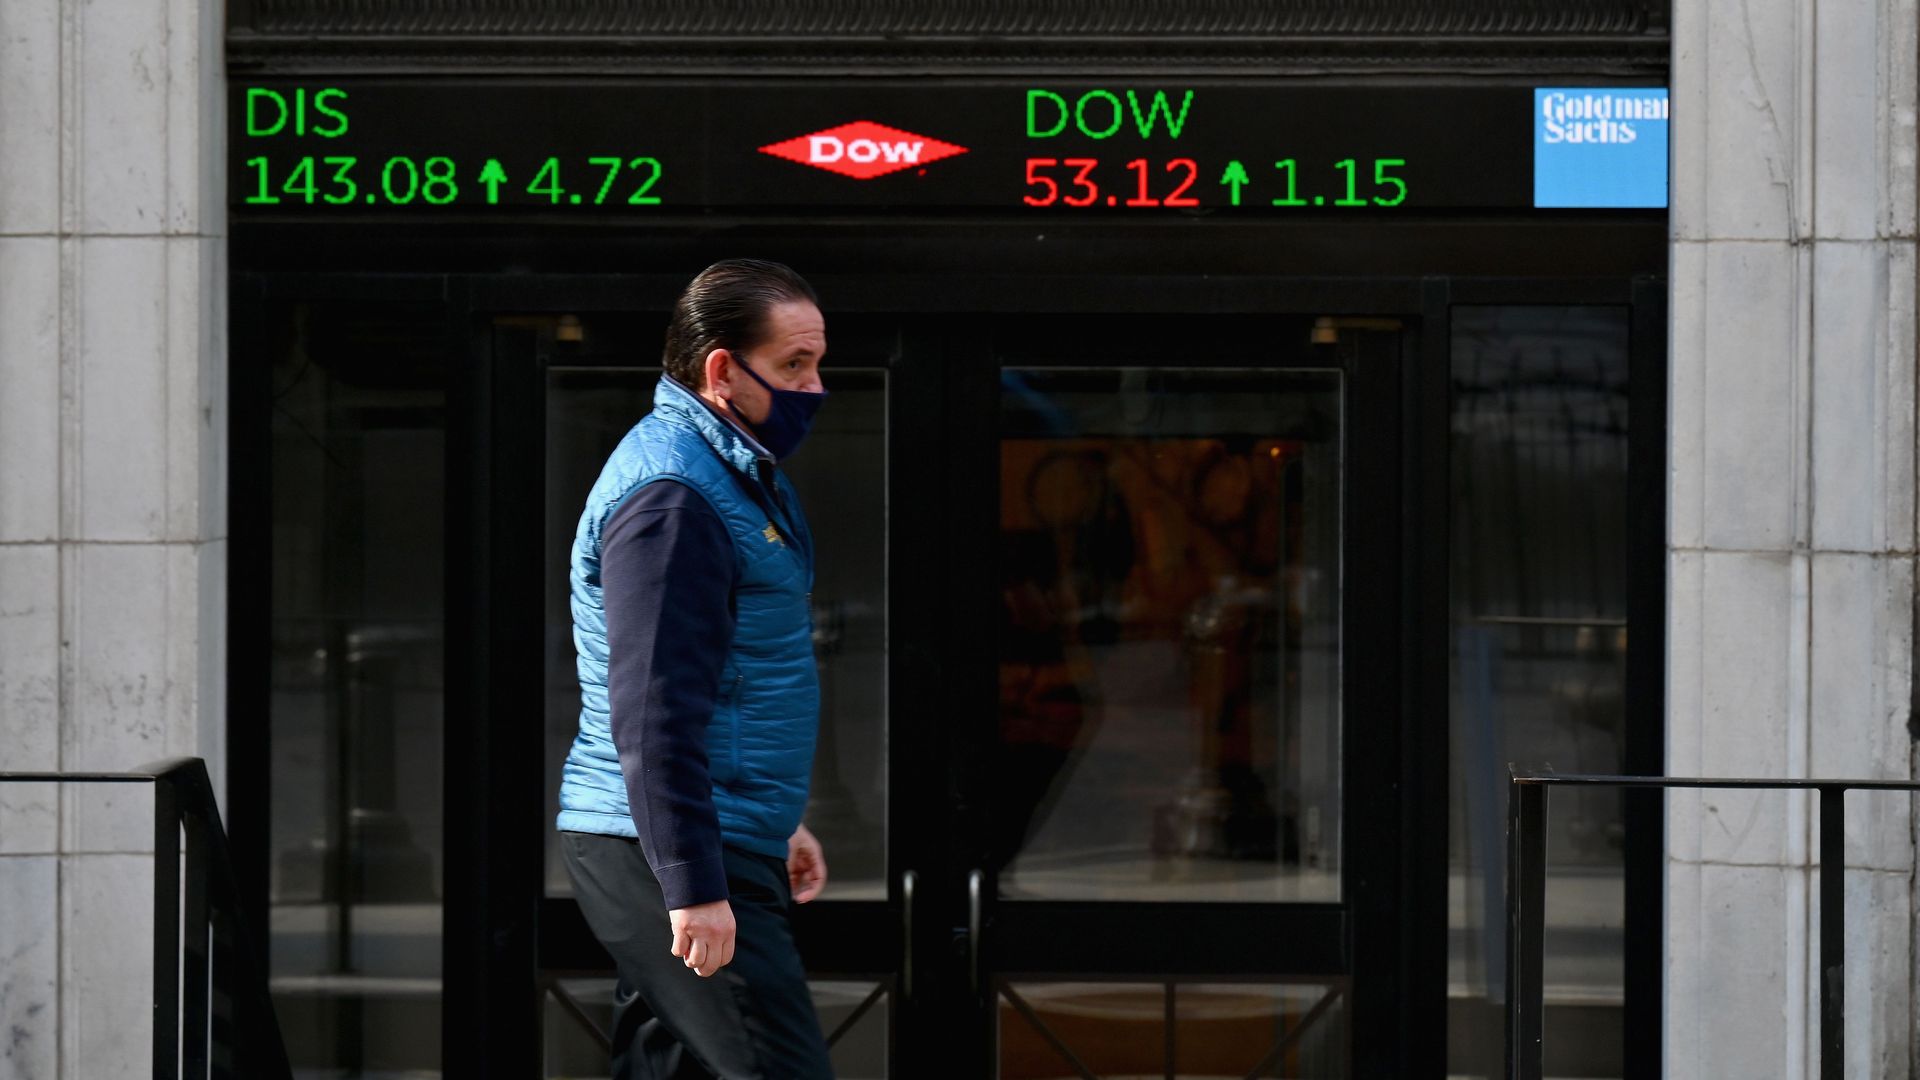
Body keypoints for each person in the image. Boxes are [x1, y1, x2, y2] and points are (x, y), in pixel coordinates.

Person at [555, 258, 835, 1078]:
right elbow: (654, 710)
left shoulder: (725, 473)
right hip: (667, 847)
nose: (814, 387)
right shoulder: (675, 495)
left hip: (702, 833)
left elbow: (733, 680)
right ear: (722, 369)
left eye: (816, 363)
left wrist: (773, 816)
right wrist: (693, 884)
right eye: (793, 366)